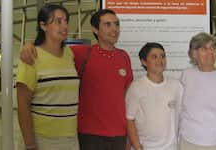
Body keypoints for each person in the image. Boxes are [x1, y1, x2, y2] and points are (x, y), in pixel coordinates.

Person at [20, 9, 133, 150]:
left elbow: (128, 97)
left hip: (117, 134)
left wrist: (130, 133)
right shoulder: (81, 53)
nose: (114, 29)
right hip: (88, 134)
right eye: (107, 24)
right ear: (94, 29)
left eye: (116, 24)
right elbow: (50, 49)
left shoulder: (124, 57)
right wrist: (28, 45)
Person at [16, 4, 79, 150]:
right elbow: (23, 105)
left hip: (71, 137)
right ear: (43, 26)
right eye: (58, 21)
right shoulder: (31, 57)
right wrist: (30, 144)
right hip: (43, 138)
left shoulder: (69, 54)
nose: (64, 26)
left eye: (65, 21)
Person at [126, 42, 183, 150]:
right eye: (154, 57)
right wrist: (137, 146)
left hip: (171, 147)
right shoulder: (136, 87)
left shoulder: (176, 86)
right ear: (144, 62)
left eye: (162, 56)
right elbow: (129, 120)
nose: (160, 60)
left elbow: (183, 114)